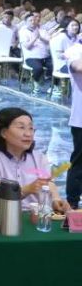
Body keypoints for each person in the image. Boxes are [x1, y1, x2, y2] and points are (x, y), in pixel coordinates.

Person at [0, 107, 70, 213]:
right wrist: (27, 189)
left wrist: (56, 200)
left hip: (36, 216)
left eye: (31, 128)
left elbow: (48, 184)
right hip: (2, 216)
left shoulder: (39, 158)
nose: (28, 134)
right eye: (21, 127)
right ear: (3, 132)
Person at [21, 12, 53, 91]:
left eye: (34, 20)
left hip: (45, 56)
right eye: (30, 20)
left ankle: (52, 85)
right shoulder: (23, 32)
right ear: (26, 22)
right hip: (31, 57)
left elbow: (50, 42)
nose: (33, 22)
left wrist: (41, 38)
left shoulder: (42, 31)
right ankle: (35, 81)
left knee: (55, 66)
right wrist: (35, 38)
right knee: (38, 68)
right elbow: (27, 46)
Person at [67, 39, 82, 206]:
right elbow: (78, 66)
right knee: (79, 164)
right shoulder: (76, 49)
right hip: (80, 120)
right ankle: (72, 203)